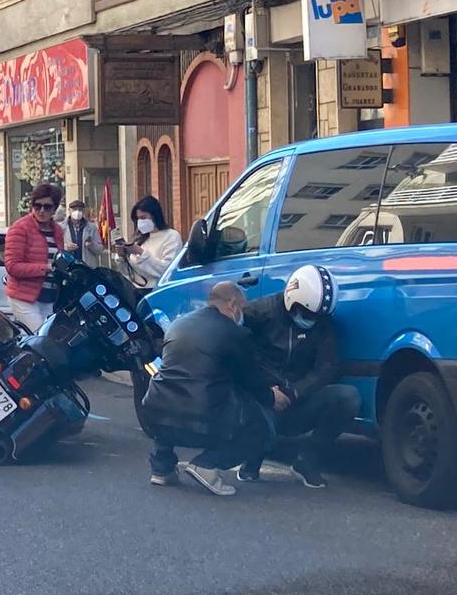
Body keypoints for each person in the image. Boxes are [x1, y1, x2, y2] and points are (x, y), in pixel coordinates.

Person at [139, 282, 280, 496]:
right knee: (262, 430)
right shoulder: (235, 333)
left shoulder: (179, 323)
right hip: (200, 419)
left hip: (153, 411)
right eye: (242, 307)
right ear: (233, 304)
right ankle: (206, 464)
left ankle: (162, 467)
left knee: (172, 393)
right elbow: (250, 380)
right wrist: (272, 397)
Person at [238, 264, 356, 488]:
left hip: (298, 398)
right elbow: (240, 356)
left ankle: (307, 459)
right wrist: (266, 390)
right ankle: (252, 456)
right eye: (308, 314)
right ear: (292, 301)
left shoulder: (322, 325)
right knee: (254, 411)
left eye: (318, 316)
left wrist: (295, 392)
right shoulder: (258, 314)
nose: (312, 320)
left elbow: (327, 367)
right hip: (261, 398)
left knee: (347, 397)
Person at [4, 184, 66, 332]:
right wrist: (45, 268)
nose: (42, 211)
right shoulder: (20, 228)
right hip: (24, 296)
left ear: (55, 208)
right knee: (41, 338)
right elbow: (12, 266)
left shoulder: (57, 230)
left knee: (47, 339)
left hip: (49, 296)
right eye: (37, 206)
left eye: (47, 207)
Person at [116, 195, 182, 290]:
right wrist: (122, 257)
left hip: (157, 291)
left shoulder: (171, 236)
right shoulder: (140, 238)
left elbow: (166, 271)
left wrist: (141, 252)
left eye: (143, 218)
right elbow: (128, 273)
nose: (140, 222)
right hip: (136, 290)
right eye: (138, 219)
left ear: (155, 216)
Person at [62, 198, 105, 268]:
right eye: (74, 209)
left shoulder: (92, 227)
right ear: (69, 210)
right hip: (68, 266)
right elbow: (55, 247)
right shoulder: (62, 227)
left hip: (87, 267)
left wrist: (91, 245)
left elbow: (99, 250)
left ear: (83, 211)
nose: (77, 212)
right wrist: (66, 247)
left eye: (80, 210)